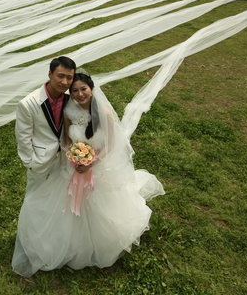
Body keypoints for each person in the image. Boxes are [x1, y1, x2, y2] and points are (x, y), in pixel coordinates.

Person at [12, 69, 165, 277]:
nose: (79, 94)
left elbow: (111, 144)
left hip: (97, 167)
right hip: (72, 167)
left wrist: (91, 161)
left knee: (98, 205)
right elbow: (66, 139)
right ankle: (66, 240)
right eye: (74, 91)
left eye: (83, 89)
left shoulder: (104, 113)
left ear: (91, 88)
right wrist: (73, 157)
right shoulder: (69, 112)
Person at [12, 56, 76, 275]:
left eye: (69, 77)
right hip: (39, 162)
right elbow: (23, 137)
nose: (65, 82)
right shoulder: (28, 103)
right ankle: (32, 241)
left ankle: (54, 237)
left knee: (59, 198)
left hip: (64, 159)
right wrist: (30, 162)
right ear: (49, 74)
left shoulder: (70, 100)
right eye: (61, 76)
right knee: (35, 200)